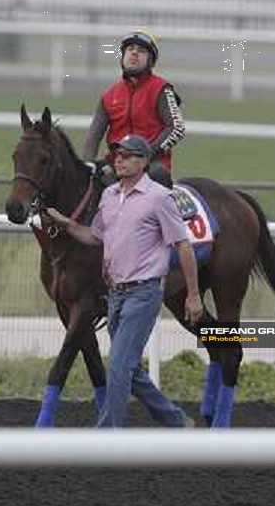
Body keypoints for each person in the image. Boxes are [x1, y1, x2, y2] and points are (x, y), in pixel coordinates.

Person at [45, 135, 203, 428]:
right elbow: (95, 237)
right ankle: (176, 421)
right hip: (115, 296)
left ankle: (109, 435)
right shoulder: (109, 196)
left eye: (128, 155)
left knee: (118, 366)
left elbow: (182, 245)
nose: (119, 159)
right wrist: (68, 224)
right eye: (117, 154)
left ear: (143, 162)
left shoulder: (159, 197)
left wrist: (193, 295)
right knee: (130, 370)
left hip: (143, 295)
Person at [82, 29, 185, 189]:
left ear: (151, 60)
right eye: (130, 49)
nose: (134, 53)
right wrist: (87, 165)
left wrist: (144, 156)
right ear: (123, 56)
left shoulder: (162, 89)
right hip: (117, 164)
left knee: (158, 175)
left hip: (152, 165)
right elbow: (94, 137)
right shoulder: (109, 95)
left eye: (141, 51)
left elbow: (177, 128)